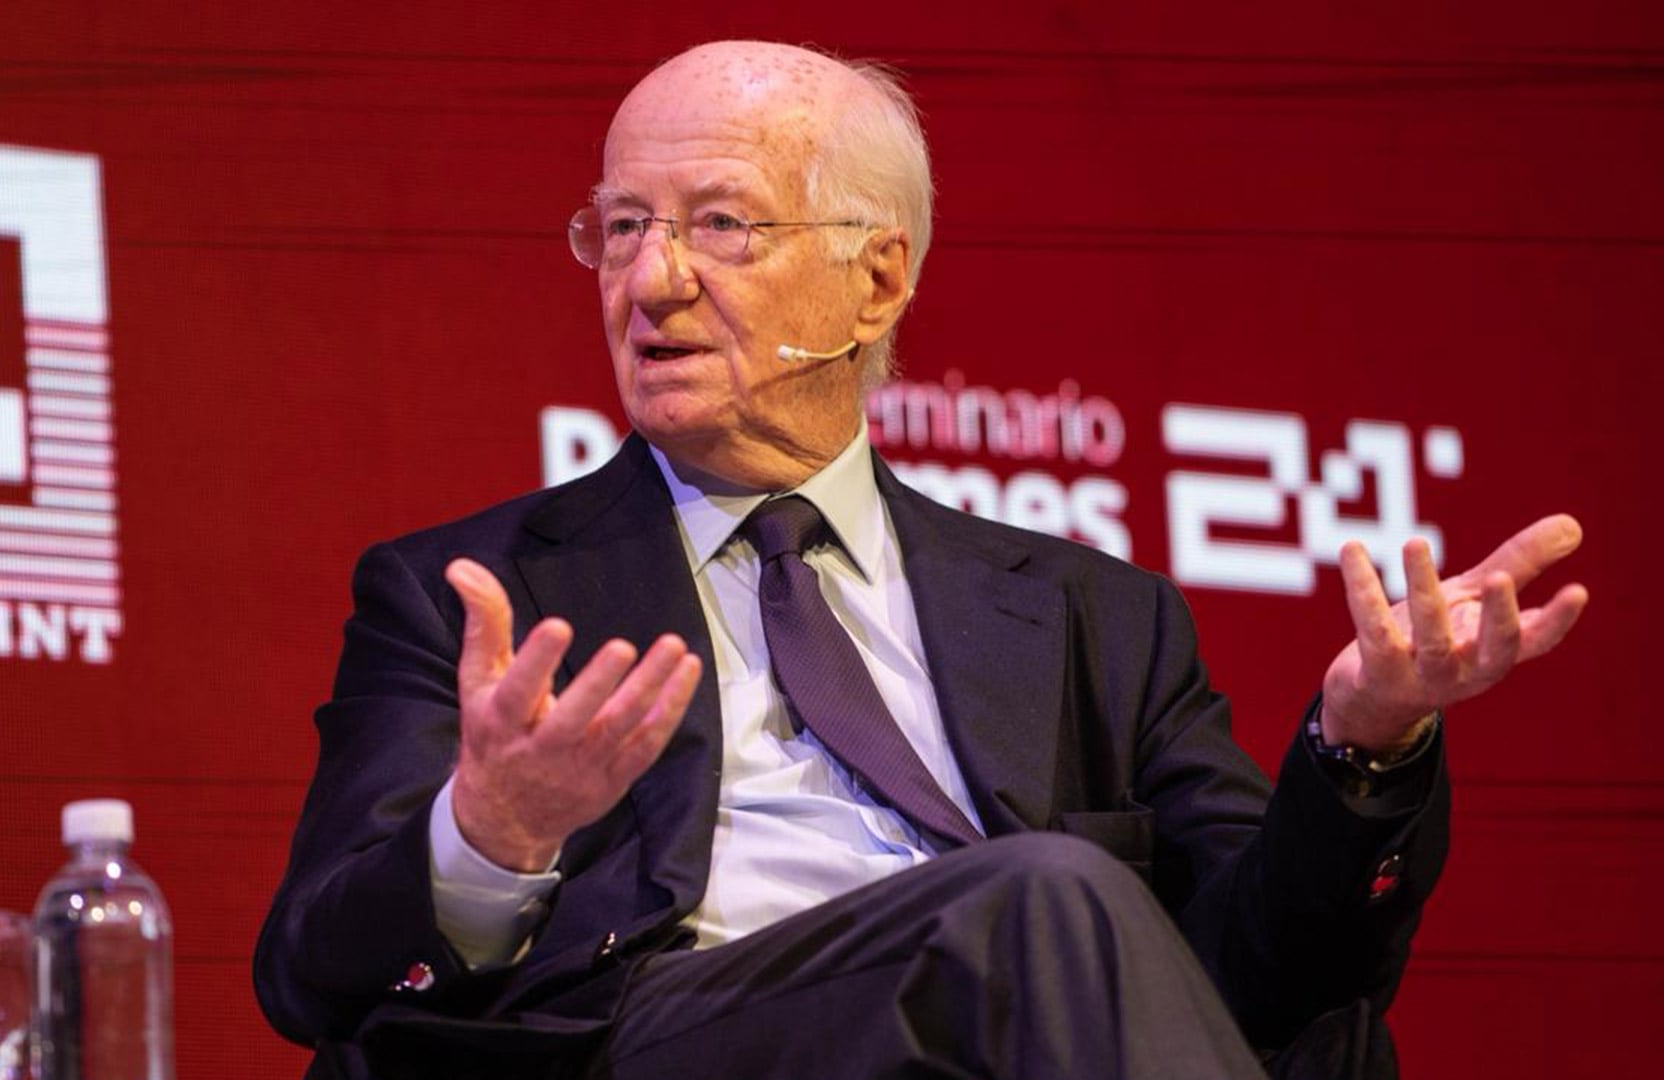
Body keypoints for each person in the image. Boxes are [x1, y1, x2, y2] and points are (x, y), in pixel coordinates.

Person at [254, 41, 1588, 1080]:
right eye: (620, 226)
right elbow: (311, 974)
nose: (649, 282)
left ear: (878, 281)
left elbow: (1271, 967)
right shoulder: (470, 592)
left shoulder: (1093, 618)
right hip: (653, 1037)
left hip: (1011, 1029)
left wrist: (1366, 742)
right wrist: (491, 836)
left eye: (719, 225)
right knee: (1042, 898)